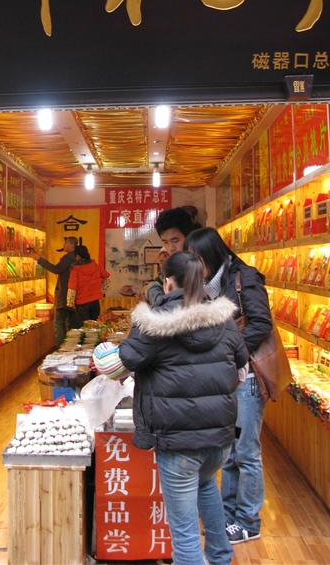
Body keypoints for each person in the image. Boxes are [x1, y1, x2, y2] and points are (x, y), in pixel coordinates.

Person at [116, 251, 248, 565]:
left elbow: (127, 359)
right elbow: (242, 360)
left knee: (185, 536)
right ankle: (220, 556)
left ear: (168, 282)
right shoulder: (223, 318)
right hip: (219, 438)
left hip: (178, 441)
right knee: (205, 484)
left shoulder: (154, 322)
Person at [184, 227, 273, 545]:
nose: (193, 265)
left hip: (247, 378)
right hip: (226, 377)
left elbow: (261, 323)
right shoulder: (208, 285)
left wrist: (233, 354)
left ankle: (249, 520)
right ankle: (229, 517)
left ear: (210, 254)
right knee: (231, 452)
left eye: (195, 258)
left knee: (246, 451)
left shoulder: (243, 278)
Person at [145, 207, 202, 307]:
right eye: (165, 242)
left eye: (175, 241)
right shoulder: (172, 263)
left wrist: (152, 291)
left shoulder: (200, 263)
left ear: (188, 236)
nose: (171, 248)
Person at [33, 236, 77, 345]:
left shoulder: (67, 258)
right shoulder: (77, 258)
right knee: (69, 323)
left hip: (63, 296)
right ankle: (69, 346)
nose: (64, 245)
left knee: (59, 323)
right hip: (73, 296)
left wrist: (40, 260)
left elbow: (56, 269)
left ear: (71, 245)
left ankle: (61, 348)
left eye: (65, 243)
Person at [66, 245, 110, 326]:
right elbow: (107, 277)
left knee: (85, 329)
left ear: (78, 256)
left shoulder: (75, 270)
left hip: (82, 305)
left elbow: (72, 288)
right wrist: (102, 291)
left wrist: (70, 304)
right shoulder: (95, 265)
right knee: (95, 327)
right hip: (95, 303)